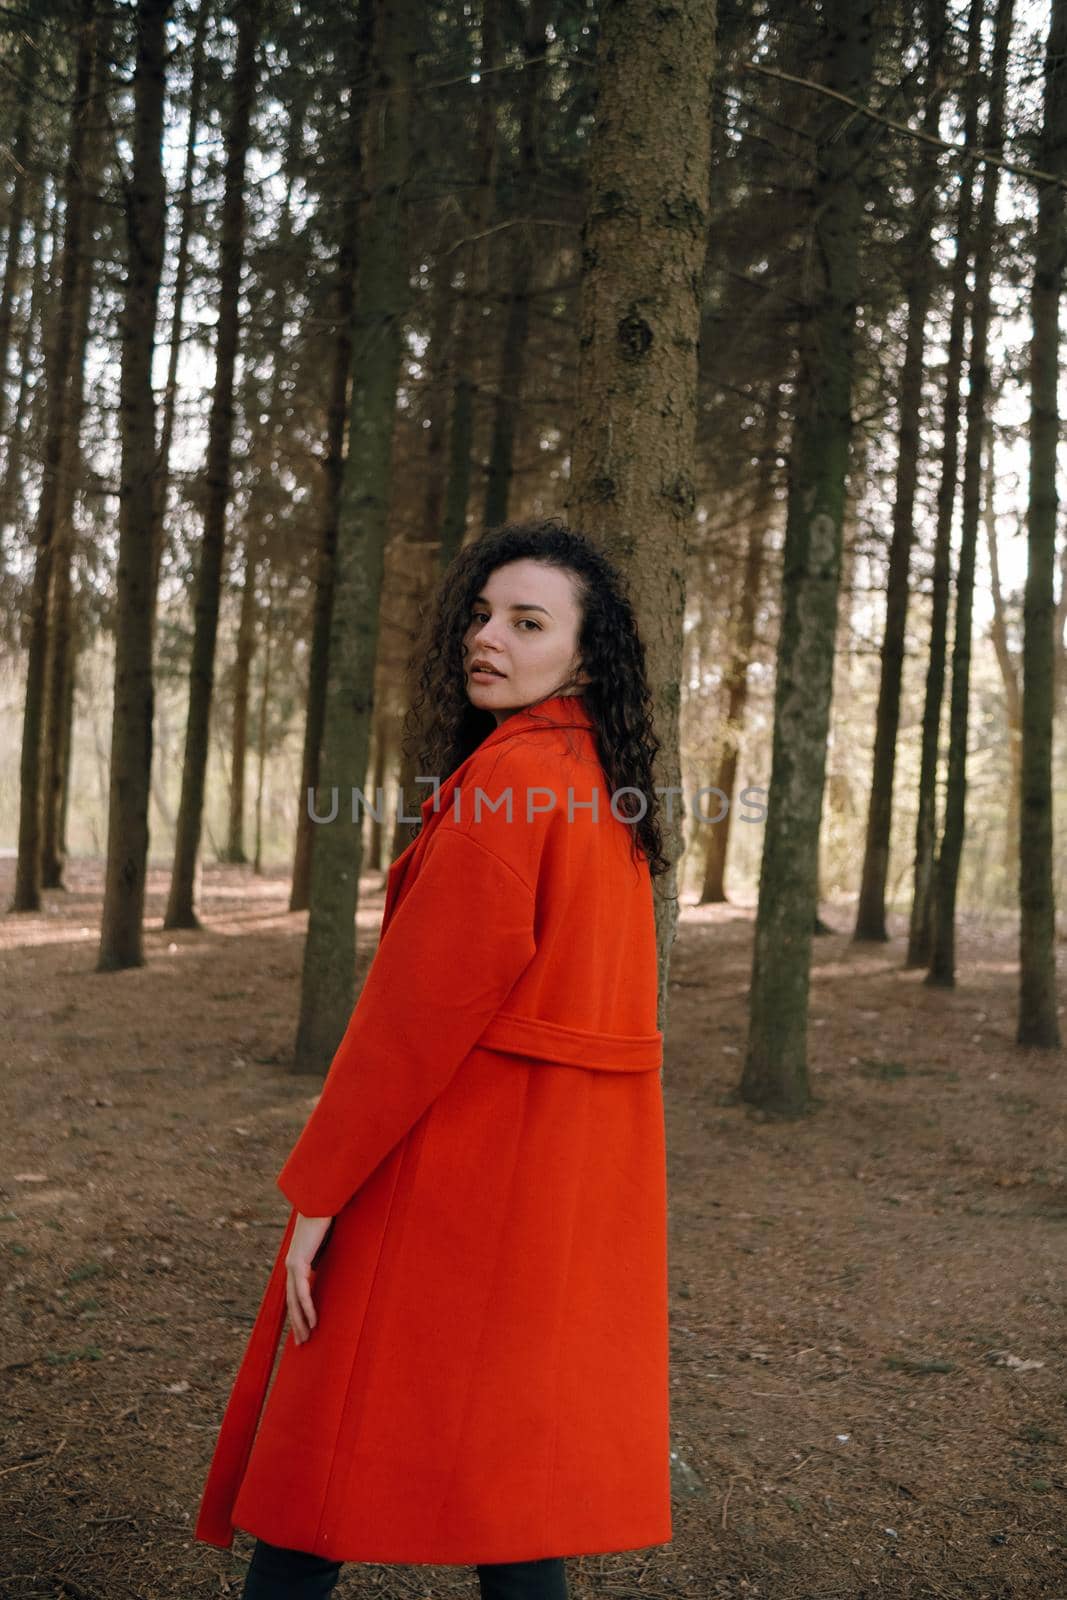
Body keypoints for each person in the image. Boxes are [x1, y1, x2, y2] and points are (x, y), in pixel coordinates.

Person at [195, 519, 673, 1599]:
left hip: (445, 1179)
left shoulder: (504, 796)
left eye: (526, 622)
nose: (484, 637)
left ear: (584, 657)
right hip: (552, 1196)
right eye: (481, 614)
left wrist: (318, 1201)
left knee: (324, 1453)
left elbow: (407, 1026)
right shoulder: (607, 791)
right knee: (515, 1488)